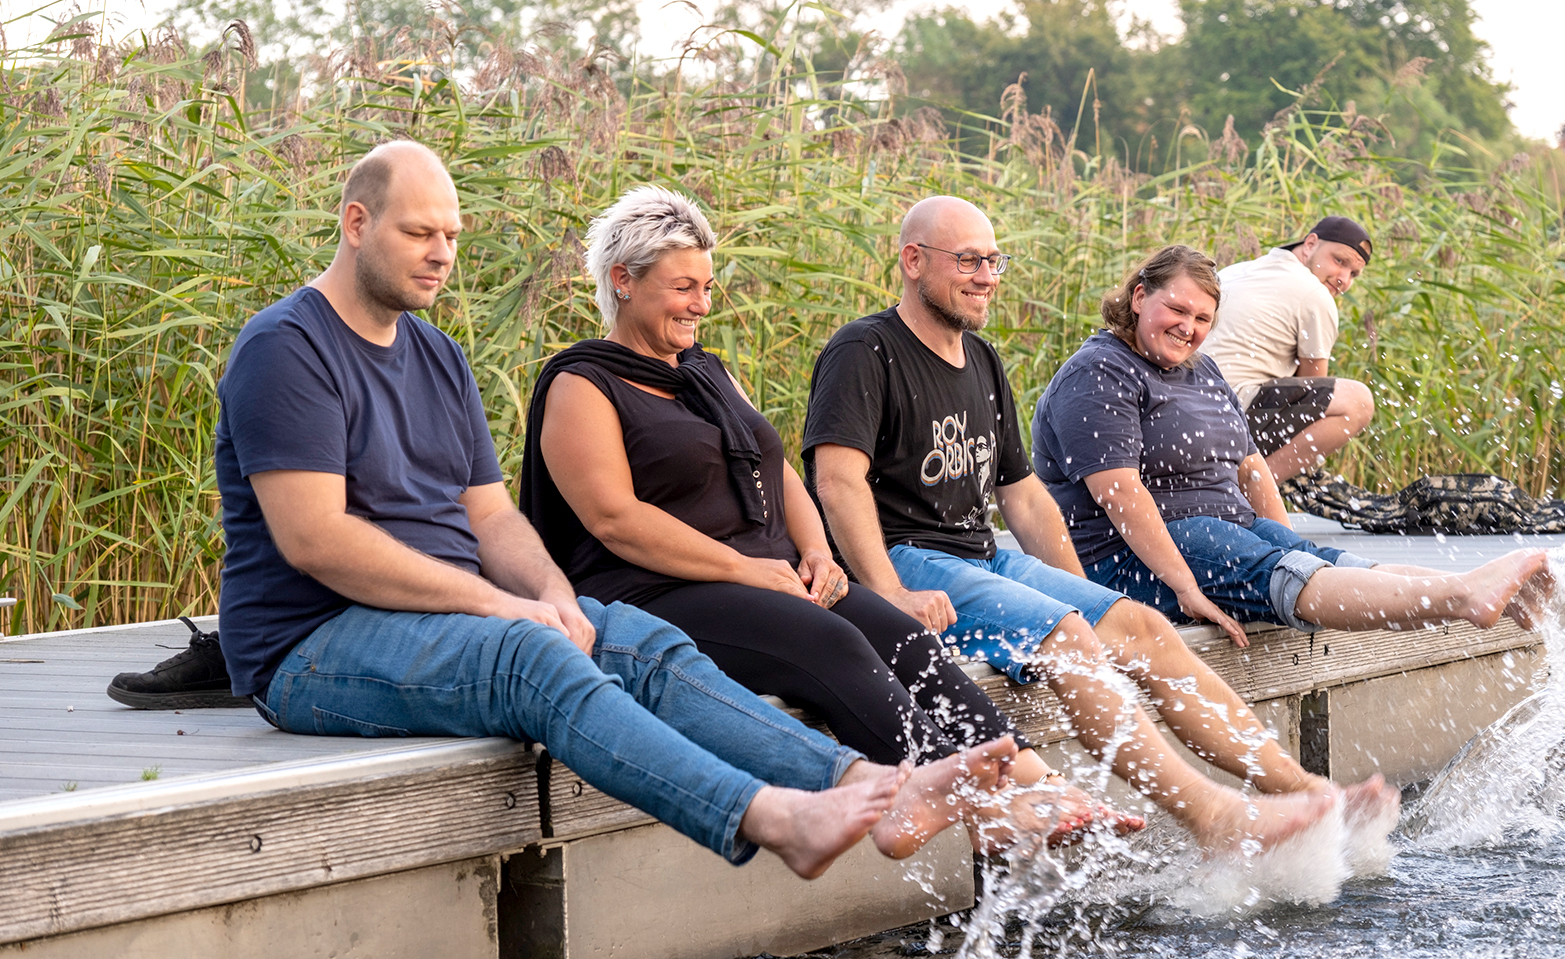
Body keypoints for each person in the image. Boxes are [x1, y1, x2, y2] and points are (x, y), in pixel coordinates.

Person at [213, 141, 1013, 880]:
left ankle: (864, 783)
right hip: (313, 645)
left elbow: (491, 519)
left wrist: (552, 595)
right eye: (422, 233)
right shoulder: (288, 346)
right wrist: (499, 604)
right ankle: (772, 817)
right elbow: (317, 540)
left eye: (452, 235)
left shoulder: (436, 353)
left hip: (443, 618)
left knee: (634, 638)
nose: (444, 255)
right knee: (531, 658)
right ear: (357, 223)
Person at [519, 185, 1137, 851]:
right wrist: (748, 571)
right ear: (623, 280)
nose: (702, 303)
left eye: (706, 285)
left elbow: (776, 467)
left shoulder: (706, 372)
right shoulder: (580, 383)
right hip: (656, 589)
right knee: (834, 643)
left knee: (904, 638)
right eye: (683, 288)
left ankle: (1029, 778)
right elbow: (615, 519)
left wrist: (815, 550)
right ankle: (970, 805)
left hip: (764, 573)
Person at [802, 196, 1396, 858]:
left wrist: (1082, 597)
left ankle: (1303, 792)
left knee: (1139, 625)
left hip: (980, 556)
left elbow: (1023, 499)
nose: (985, 276)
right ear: (913, 261)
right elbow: (837, 480)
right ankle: (1213, 819)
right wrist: (887, 590)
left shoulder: (982, 361)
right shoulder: (867, 349)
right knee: (1068, 639)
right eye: (967, 260)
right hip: (907, 557)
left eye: (993, 261)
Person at [1030, 244, 1554, 640]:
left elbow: (1252, 470)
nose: (1188, 328)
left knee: (1321, 559)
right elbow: (1120, 492)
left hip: (1219, 534)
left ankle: (1488, 595)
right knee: (1283, 568)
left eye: (1202, 319)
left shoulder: (1203, 371)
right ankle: (1464, 596)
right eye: (1177, 310)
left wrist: (1288, 543)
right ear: (1139, 296)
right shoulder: (1100, 371)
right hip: (1133, 559)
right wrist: (1186, 588)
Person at [1203, 216, 1378, 492]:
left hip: (1191, 409)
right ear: (1310, 244)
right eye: (1340, 261)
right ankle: (1251, 492)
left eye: (1354, 274)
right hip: (1230, 414)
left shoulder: (1235, 271)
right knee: (1358, 402)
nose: (1344, 279)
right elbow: (1314, 390)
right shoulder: (1314, 293)